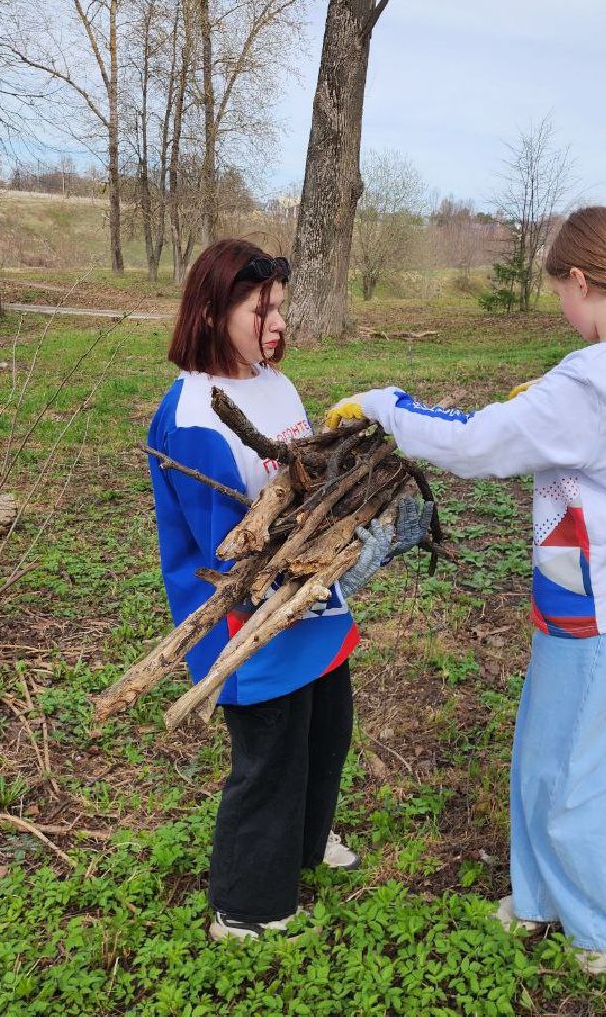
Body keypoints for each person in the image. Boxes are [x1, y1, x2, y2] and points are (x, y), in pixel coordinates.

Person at [325, 206, 606, 975]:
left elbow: (475, 443)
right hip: (595, 592)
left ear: (581, 280)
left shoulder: (591, 379)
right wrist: (544, 406)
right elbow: (588, 435)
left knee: (568, 774)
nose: (560, 306)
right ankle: (544, 900)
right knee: (540, 754)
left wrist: (387, 407)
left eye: (559, 288)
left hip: (604, 602)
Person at [147, 239, 426, 941]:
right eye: (260, 308)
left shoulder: (275, 383)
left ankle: (301, 846)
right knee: (269, 756)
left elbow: (309, 480)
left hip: (315, 609)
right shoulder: (193, 418)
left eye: (280, 307)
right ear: (213, 312)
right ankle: (247, 907)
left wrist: (360, 538)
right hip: (250, 624)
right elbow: (229, 552)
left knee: (325, 734)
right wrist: (323, 565)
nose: (277, 322)